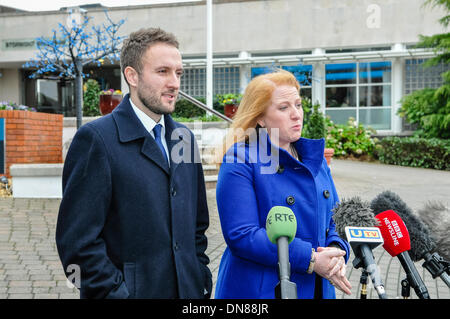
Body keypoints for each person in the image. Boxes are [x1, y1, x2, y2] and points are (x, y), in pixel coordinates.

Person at [56, 28, 212, 299]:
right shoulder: (96, 140)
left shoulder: (184, 138)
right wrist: (116, 294)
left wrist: (200, 279)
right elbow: (76, 244)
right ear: (132, 76)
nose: (175, 83)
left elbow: (197, 226)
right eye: (163, 72)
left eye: (178, 73)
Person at [214, 69, 352, 299]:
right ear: (260, 117)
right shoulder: (240, 159)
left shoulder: (315, 160)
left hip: (317, 289)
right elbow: (242, 235)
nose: (296, 114)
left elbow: (335, 218)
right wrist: (310, 259)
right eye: (284, 107)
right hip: (261, 291)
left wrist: (338, 252)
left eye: (298, 104)